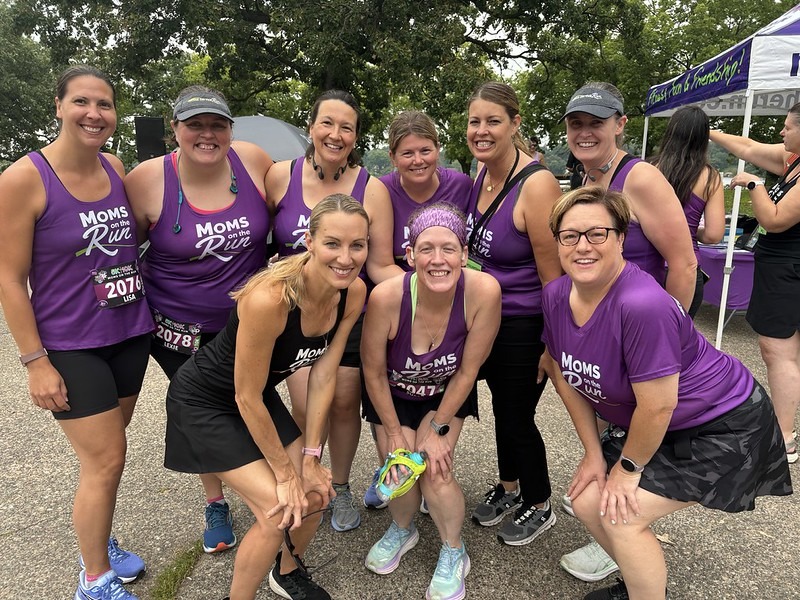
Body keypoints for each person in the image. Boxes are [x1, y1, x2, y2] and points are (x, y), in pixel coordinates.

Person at [541, 186, 792, 600]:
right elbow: (562, 372)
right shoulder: (555, 296)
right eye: (570, 236)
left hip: (723, 422)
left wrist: (626, 469)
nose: (582, 246)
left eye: (597, 234)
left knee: (621, 516)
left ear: (621, 239)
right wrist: (591, 452)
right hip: (663, 421)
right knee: (587, 501)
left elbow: (658, 406)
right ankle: (640, 582)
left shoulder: (641, 304)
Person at [164, 194, 368, 600]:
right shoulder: (270, 298)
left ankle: (287, 574)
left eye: (357, 245)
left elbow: (324, 373)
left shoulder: (353, 292)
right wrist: (286, 475)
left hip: (253, 396)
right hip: (206, 400)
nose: (346, 257)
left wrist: (310, 458)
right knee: (279, 511)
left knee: (315, 496)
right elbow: (245, 397)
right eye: (332, 243)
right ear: (309, 241)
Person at [0, 65, 154, 600]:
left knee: (110, 454)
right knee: (106, 458)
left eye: (106, 105)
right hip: (70, 345)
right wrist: (34, 360)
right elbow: (9, 279)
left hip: (128, 331)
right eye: (83, 102)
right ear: (60, 106)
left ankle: (99, 541)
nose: (95, 114)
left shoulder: (114, 166)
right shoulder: (25, 178)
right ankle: (95, 581)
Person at [558, 82, 698, 581]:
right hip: (610, 334)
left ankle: (624, 528)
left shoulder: (640, 178)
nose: (585, 131)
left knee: (637, 442)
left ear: (620, 124)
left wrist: (673, 342)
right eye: (576, 123)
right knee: (612, 437)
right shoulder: (587, 176)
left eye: (597, 121)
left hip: (646, 335)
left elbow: (683, 264)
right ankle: (621, 530)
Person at [125, 85, 273, 554]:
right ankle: (216, 502)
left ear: (231, 129)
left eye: (217, 125)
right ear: (176, 129)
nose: (207, 134)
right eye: (195, 125)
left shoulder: (252, 160)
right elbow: (118, 252)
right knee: (205, 413)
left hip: (249, 325)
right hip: (178, 330)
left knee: (253, 402)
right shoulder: (146, 179)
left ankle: (265, 491)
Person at [265, 89, 401, 535]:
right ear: (311, 126)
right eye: (328, 123)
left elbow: (379, 263)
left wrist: (427, 293)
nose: (336, 134)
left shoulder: (372, 188)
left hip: (349, 308)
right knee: (306, 405)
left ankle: (338, 487)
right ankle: (306, 477)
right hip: (293, 312)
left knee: (343, 401)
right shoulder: (278, 177)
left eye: (347, 127)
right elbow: (259, 243)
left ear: (356, 135)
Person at [361, 203, 500, 599]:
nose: (438, 259)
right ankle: (403, 530)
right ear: (409, 255)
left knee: (436, 469)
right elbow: (372, 373)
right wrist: (393, 433)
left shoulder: (484, 291)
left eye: (449, 248)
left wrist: (438, 428)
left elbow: (468, 371)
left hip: (445, 394)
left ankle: (454, 551)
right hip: (393, 393)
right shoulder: (387, 297)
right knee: (399, 469)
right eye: (426, 249)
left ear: (464, 254)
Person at [464, 81, 563, 546]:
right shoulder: (481, 175)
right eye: (474, 122)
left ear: (515, 124)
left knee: (517, 415)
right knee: (502, 411)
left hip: (524, 323)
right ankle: (509, 486)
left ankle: (540, 503)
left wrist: (552, 345)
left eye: (493, 121)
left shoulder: (537, 184)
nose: (481, 131)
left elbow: (554, 278)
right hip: (486, 319)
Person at [361, 111, 473, 511]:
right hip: (399, 291)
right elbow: (377, 262)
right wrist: (421, 288)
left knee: (448, 376)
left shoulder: (462, 185)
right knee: (387, 395)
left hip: (449, 290)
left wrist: (447, 286)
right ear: (393, 157)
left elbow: (466, 253)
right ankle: (391, 470)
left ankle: (431, 477)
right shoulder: (381, 188)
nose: (418, 160)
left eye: (426, 150)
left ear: (438, 149)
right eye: (407, 152)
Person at [711, 106, 800, 464]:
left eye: (787, 127)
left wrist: (754, 183)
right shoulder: (792, 160)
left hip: (789, 271)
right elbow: (747, 146)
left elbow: (775, 220)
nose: (781, 133)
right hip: (780, 268)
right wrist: (706, 130)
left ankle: (784, 438)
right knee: (785, 352)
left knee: (777, 351)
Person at [651, 105, 725, 317]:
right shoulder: (710, 177)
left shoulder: (647, 169)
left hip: (648, 263)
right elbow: (713, 235)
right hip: (687, 267)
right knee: (677, 337)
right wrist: (691, 230)